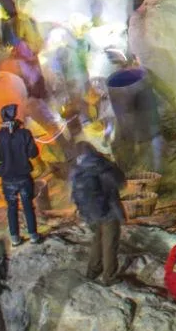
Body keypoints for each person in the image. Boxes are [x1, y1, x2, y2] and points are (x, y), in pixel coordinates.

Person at [69, 142, 126, 284]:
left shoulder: (77, 168)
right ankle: (109, 276)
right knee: (110, 242)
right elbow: (120, 183)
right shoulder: (101, 165)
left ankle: (92, 271)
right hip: (108, 209)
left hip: (89, 212)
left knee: (97, 239)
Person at [0, 103, 41, 245]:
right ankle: (34, 235)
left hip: (8, 178)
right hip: (23, 176)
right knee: (28, 205)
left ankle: (15, 238)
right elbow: (33, 153)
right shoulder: (25, 134)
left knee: (11, 207)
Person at [104, 51, 163, 175]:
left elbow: (123, 109)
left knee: (153, 142)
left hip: (145, 127)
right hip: (148, 126)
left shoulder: (133, 78)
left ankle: (156, 169)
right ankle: (155, 168)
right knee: (153, 141)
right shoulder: (138, 76)